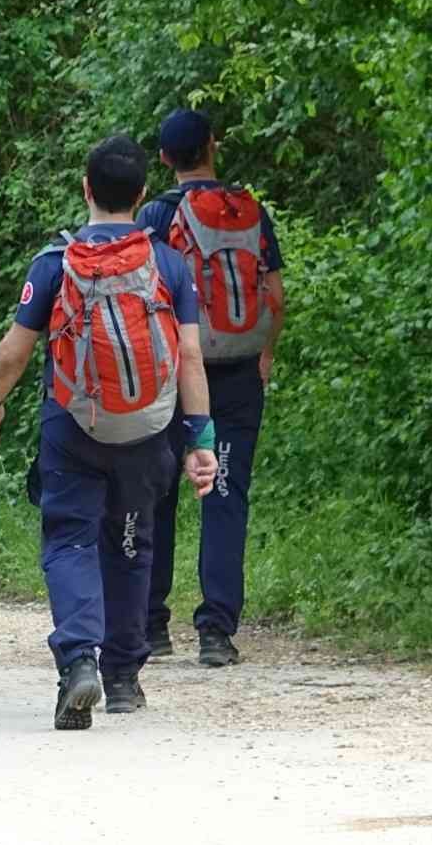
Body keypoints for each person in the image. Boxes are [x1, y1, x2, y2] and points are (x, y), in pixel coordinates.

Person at [0, 136, 217, 729]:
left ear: (86, 189)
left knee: (70, 540)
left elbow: (14, 351)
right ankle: (125, 676)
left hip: (73, 427)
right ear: (140, 196)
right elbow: (188, 356)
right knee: (132, 544)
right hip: (147, 430)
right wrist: (201, 440)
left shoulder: (55, 263)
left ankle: (79, 659)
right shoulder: (168, 264)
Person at [137, 109, 287, 667]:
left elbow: (141, 292)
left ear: (165, 160)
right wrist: (264, 351)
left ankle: (151, 624)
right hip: (240, 373)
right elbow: (274, 291)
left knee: (159, 494)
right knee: (225, 496)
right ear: (212, 148)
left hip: (177, 374)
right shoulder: (248, 212)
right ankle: (216, 632)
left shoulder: (157, 214)